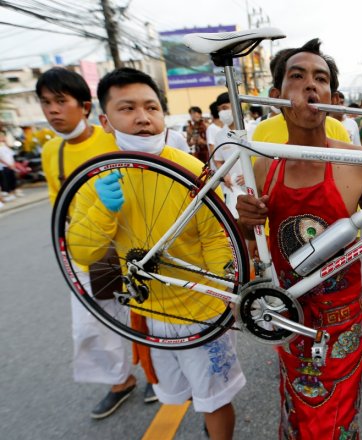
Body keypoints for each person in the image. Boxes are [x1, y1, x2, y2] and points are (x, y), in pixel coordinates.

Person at [235, 38, 362, 439]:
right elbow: (249, 240)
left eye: (321, 79)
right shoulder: (262, 165)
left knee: (336, 418)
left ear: (334, 96)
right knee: (298, 407)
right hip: (288, 316)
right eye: (298, 77)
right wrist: (246, 220)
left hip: (344, 319)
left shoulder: (359, 161)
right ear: (277, 97)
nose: (311, 87)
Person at [66, 67, 246, 439]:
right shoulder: (95, 178)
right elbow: (83, 252)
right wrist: (102, 209)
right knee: (173, 393)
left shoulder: (191, 169)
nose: (143, 118)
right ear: (104, 120)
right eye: (127, 108)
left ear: (164, 115)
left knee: (215, 399)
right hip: (147, 313)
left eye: (152, 107)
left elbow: (216, 237)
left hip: (201, 311)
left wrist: (223, 294)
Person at [37, 67, 153, 419]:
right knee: (95, 322)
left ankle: (153, 375)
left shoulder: (112, 138)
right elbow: (59, 205)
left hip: (128, 242)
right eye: (46, 103)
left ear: (85, 106)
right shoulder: (50, 151)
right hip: (87, 245)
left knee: (142, 312)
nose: (53, 110)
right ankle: (119, 382)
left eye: (61, 101)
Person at [211, 92, 244, 219]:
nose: (221, 113)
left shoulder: (251, 128)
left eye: (225, 108)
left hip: (254, 185)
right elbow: (218, 160)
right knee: (237, 224)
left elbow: (261, 159)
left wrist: (250, 174)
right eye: (219, 110)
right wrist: (225, 176)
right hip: (233, 189)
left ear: (235, 106)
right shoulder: (220, 135)